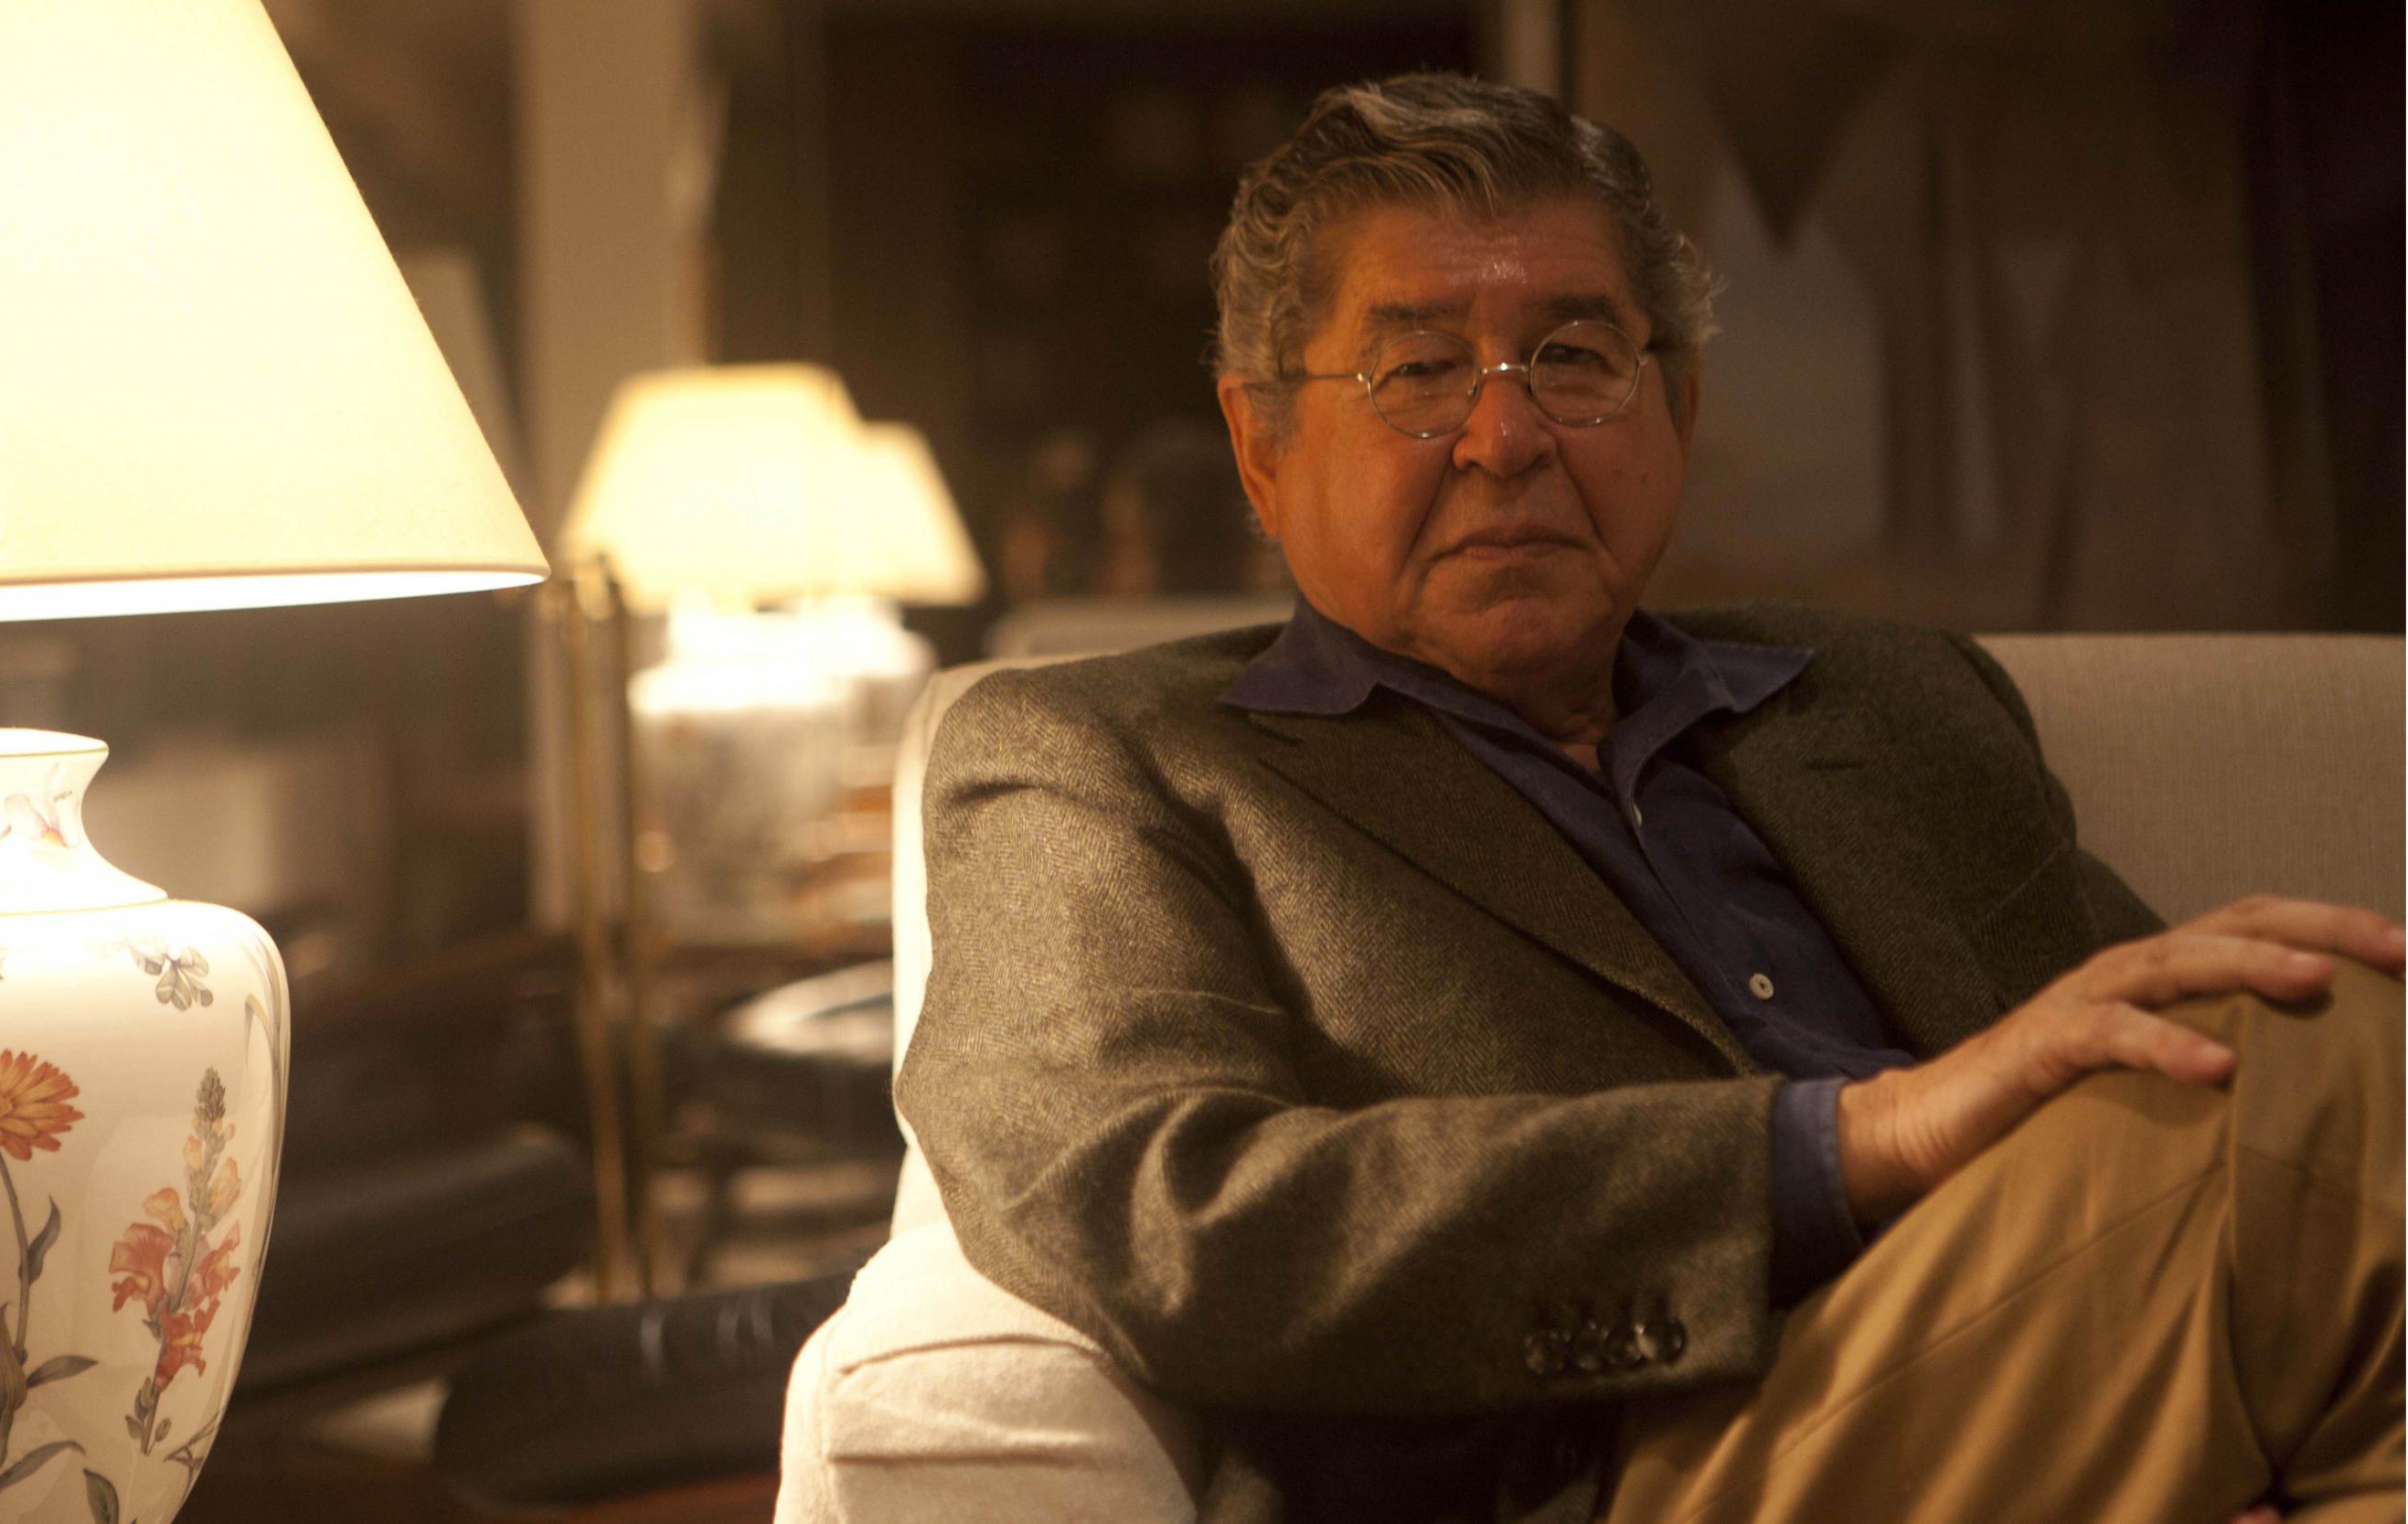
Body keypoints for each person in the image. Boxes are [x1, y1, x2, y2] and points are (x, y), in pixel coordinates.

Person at [895, 73, 2403, 1523]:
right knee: (2331, 1058)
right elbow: (1160, 1215)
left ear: (1673, 408)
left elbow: (2165, 1055)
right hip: (1627, 1461)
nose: (1507, 439)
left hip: (2070, 1361)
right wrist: (1851, 1141)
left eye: (1572, 358)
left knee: (2312, 1039)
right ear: (1262, 446)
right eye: (1416, 372)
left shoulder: (1889, 697)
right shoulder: (1099, 757)